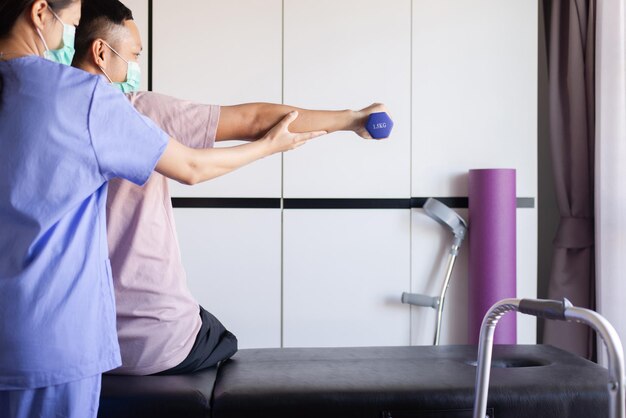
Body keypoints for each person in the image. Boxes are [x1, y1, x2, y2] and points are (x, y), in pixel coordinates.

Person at [0, 0, 325, 415]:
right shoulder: (81, 99)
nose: (68, 39)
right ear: (40, 12)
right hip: (51, 341)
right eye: (71, 23)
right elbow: (192, 164)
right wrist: (269, 146)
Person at [71, 0, 391, 376]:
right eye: (132, 55)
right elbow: (252, 122)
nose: (134, 66)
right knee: (221, 338)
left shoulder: (42, 116)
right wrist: (352, 119)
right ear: (100, 53)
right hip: (152, 341)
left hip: (79, 340)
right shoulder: (139, 110)